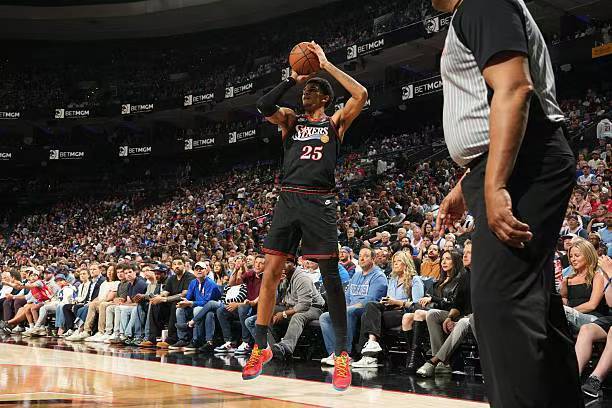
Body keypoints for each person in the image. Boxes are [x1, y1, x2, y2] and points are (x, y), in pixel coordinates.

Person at [434, 0, 583, 405]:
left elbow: (515, 88)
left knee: (502, 306)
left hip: (522, 164)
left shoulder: (479, 3)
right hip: (516, 161)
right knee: (532, 305)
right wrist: (467, 182)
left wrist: (496, 182)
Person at [243, 40, 368, 391]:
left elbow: (361, 94)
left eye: (312, 91)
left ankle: (341, 354)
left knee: (330, 276)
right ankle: (260, 347)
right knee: (271, 273)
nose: (305, 94)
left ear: (325, 98)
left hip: (320, 201)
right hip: (288, 198)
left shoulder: (335, 122)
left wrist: (325, 65)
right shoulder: (290, 120)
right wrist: (291, 79)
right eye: (304, 90)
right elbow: (263, 105)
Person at [352, 251, 423, 368]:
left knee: (367, 317)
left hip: (403, 313)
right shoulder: (392, 279)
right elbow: (389, 299)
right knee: (370, 306)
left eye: (399, 261)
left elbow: (417, 306)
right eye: (394, 261)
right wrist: (386, 302)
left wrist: (397, 302)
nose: (395, 264)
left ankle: (368, 356)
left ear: (406, 263)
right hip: (389, 310)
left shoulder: (415, 280)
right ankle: (372, 345)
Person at [561, 239, 606, 329]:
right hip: (570, 318)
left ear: (588, 255)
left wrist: (570, 312)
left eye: (577, 256)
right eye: (571, 256)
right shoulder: (567, 279)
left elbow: (592, 305)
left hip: (594, 319)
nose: (573, 259)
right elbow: (564, 299)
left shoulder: (598, 276)